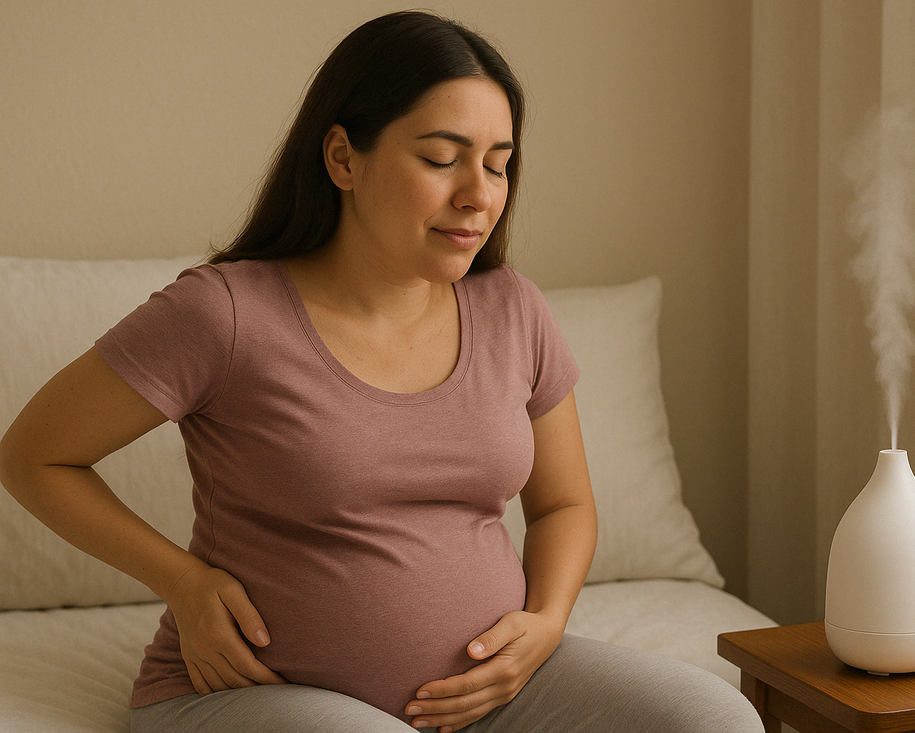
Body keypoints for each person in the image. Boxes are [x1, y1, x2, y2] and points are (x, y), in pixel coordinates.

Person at [0, 11, 763, 733]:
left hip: (490, 693)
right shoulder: (224, 313)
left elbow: (564, 505)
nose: (479, 195)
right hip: (259, 696)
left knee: (718, 718)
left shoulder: (512, 308)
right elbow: (35, 455)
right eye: (441, 158)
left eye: (499, 166)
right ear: (342, 157)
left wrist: (544, 625)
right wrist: (185, 582)